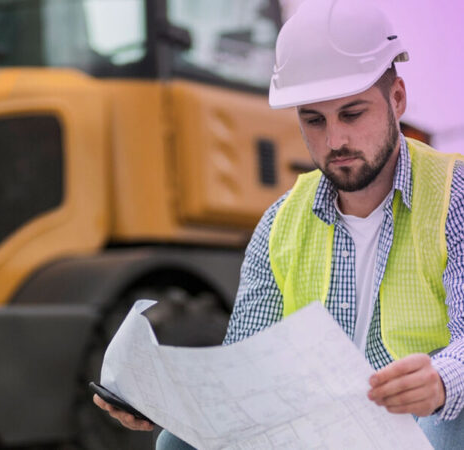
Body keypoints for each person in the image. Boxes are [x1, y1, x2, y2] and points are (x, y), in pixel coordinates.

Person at [94, 0, 464, 448]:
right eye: (313, 120)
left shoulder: (453, 195)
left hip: (422, 428)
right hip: (321, 433)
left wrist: (442, 381)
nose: (335, 140)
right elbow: (249, 368)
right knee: (177, 441)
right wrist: (167, 402)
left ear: (397, 99)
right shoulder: (281, 221)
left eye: (352, 113)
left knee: (453, 420)